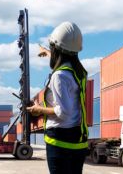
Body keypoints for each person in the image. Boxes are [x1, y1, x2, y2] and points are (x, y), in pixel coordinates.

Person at [27, 22, 89, 174]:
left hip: (60, 142)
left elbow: (63, 112)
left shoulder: (59, 76)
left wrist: (38, 109)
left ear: (57, 49)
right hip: (76, 140)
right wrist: (47, 52)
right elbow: (64, 58)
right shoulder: (78, 71)